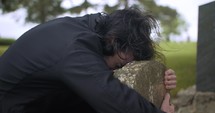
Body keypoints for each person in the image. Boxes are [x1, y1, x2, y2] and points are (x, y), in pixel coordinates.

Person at [0, 7, 176, 113]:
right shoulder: (74, 48)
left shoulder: (91, 28)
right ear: (113, 40)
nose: (117, 72)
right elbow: (110, 95)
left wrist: (157, 79)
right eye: (119, 66)